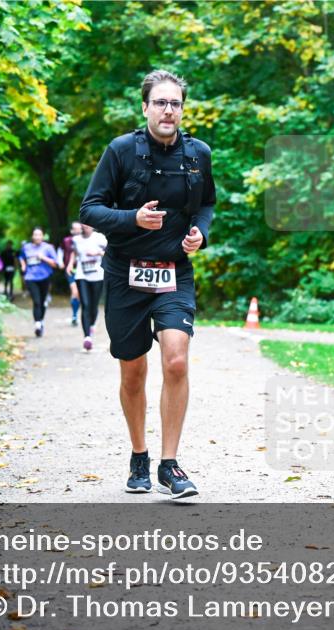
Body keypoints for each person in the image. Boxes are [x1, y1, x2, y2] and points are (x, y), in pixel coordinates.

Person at [79, 69, 216, 500]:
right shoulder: (120, 151)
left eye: (175, 103)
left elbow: (207, 204)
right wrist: (132, 219)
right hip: (125, 273)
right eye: (160, 102)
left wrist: (200, 233)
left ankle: (169, 465)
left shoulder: (198, 154)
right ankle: (139, 453)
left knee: (176, 360)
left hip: (174, 271)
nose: (168, 110)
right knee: (133, 370)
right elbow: (90, 209)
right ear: (145, 107)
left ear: (182, 109)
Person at [67, 223, 108, 351]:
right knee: (85, 304)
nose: (85, 227)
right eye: (83, 224)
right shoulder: (76, 239)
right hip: (81, 274)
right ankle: (87, 338)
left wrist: (98, 252)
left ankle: (91, 323)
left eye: (88, 224)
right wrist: (69, 264)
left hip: (97, 275)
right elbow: (74, 253)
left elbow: (110, 251)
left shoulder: (100, 238)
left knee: (93, 305)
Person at [18, 227, 59, 337]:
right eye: (35, 235)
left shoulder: (48, 248)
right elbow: (21, 257)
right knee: (36, 301)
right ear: (32, 236)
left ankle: (41, 321)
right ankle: (37, 324)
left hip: (45, 277)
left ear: (42, 236)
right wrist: (23, 265)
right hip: (31, 277)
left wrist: (43, 258)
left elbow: (55, 264)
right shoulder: (26, 247)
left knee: (42, 302)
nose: (37, 237)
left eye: (39, 235)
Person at [62, 221, 83, 326]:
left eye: (79, 228)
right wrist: (61, 262)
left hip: (83, 270)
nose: (77, 230)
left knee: (76, 293)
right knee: (75, 292)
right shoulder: (66, 241)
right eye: (75, 228)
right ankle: (75, 315)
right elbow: (61, 252)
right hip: (70, 270)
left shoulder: (85, 240)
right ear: (71, 230)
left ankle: (75, 314)